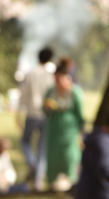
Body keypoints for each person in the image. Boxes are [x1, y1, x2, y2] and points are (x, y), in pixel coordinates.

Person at [44, 58, 84, 188]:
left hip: (69, 131)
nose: (57, 81)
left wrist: (80, 132)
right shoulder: (51, 91)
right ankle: (52, 181)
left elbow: (80, 114)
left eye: (59, 78)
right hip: (54, 129)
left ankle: (71, 181)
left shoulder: (75, 92)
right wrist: (47, 107)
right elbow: (44, 110)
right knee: (53, 155)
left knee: (69, 155)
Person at [18, 47, 55, 189]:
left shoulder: (30, 74)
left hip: (32, 114)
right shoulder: (51, 75)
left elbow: (23, 95)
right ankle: (38, 179)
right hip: (46, 115)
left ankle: (32, 163)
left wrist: (19, 115)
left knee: (25, 142)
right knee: (42, 147)